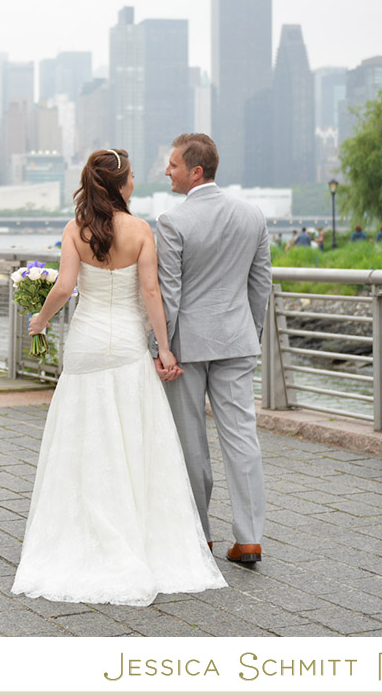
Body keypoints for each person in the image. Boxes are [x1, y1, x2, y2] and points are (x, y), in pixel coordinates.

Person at [11, 148, 226, 606]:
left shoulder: (76, 230)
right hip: (128, 344)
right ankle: (142, 535)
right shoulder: (141, 230)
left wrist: (40, 320)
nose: (134, 185)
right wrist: (164, 348)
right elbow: (151, 292)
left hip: (87, 344)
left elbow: (65, 288)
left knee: (84, 434)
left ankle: (84, 531)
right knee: (134, 434)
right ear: (121, 185)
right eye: (130, 179)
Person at [152, 133, 273, 565]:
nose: (167, 171)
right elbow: (261, 285)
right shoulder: (252, 216)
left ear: (195, 171)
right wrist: (250, 333)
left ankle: (199, 535)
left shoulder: (172, 222)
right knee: (242, 437)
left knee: (192, 443)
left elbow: (169, 295)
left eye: (173, 165)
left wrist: (160, 347)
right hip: (238, 341)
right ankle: (249, 538)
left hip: (188, 347)